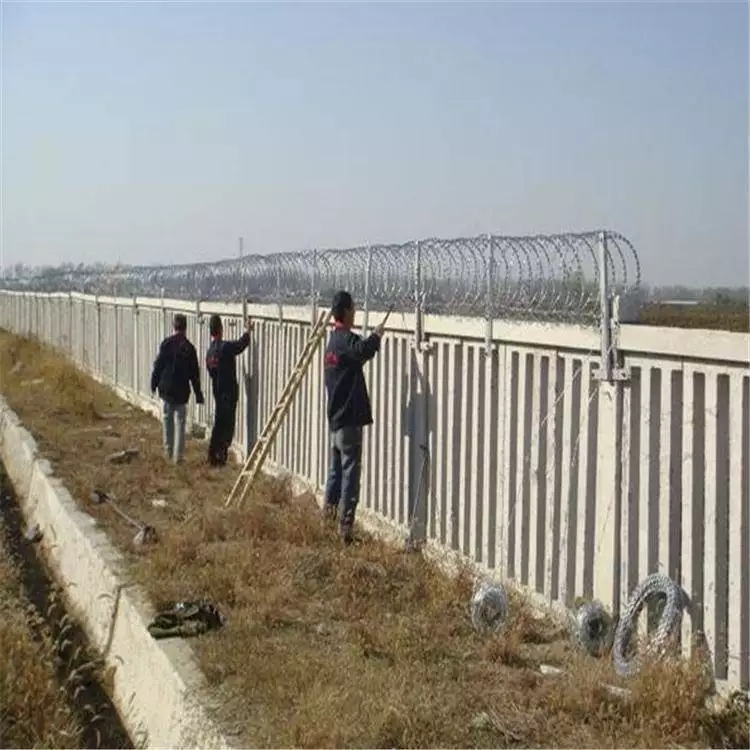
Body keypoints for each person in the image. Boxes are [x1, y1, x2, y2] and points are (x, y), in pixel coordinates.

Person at [323, 290, 385, 543]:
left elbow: (353, 360)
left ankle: (327, 518)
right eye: (354, 308)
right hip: (348, 421)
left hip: (335, 420)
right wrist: (377, 335)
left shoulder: (332, 344)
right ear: (347, 311)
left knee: (336, 473)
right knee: (350, 475)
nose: (356, 312)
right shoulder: (346, 340)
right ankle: (345, 529)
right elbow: (362, 350)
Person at [150, 313, 204, 464]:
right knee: (180, 423)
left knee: (167, 420)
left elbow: (158, 365)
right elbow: (194, 374)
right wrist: (198, 394)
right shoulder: (189, 348)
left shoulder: (167, 344)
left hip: (167, 389)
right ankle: (178, 456)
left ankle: (168, 451)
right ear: (185, 328)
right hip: (182, 392)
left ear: (174, 326)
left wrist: (153, 383)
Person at [205, 313, 252, 466]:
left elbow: (211, 372)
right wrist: (247, 331)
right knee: (227, 427)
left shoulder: (209, 353)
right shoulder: (224, 347)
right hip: (229, 393)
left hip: (218, 392)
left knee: (219, 424)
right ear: (221, 329)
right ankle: (219, 456)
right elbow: (240, 345)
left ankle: (214, 455)